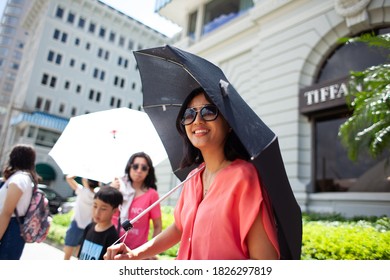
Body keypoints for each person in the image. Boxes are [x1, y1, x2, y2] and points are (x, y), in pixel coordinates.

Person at [104, 88, 280, 260]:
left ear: (229, 125)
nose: (197, 120)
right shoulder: (192, 178)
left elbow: (265, 260)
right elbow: (180, 228)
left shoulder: (244, 177)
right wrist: (134, 254)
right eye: (189, 114)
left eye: (209, 111)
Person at [110, 152, 162, 258]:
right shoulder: (117, 187)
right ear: (129, 167)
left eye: (144, 168)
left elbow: (157, 226)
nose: (139, 170)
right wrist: (110, 191)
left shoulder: (152, 195)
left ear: (148, 171)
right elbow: (103, 212)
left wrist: (151, 251)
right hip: (111, 246)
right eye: (135, 166)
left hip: (136, 253)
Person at [0, 144, 39, 259]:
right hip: (12, 230)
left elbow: (7, 213)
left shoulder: (19, 179)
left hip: (9, 229)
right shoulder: (22, 178)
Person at [78, 185, 123, 260]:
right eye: (95, 206)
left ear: (115, 211)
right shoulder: (89, 227)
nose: (97, 212)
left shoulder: (113, 238)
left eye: (103, 209)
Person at [63, 175, 100, 260]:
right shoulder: (97, 196)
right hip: (88, 228)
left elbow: (68, 178)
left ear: (86, 181)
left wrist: (81, 173)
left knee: (68, 252)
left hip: (76, 224)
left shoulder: (82, 191)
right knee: (80, 253)